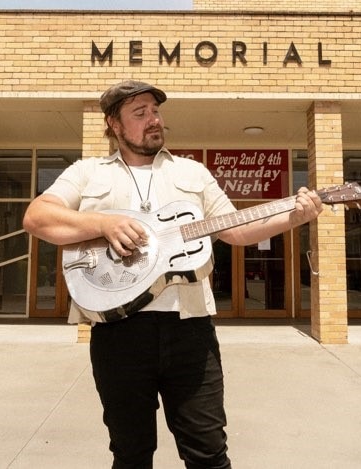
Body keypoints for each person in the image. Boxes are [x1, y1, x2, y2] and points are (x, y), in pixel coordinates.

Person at [22, 80, 324, 468]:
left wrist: (294, 216)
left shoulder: (192, 173)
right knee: (131, 454)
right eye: (140, 113)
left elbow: (235, 230)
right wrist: (103, 223)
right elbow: (37, 217)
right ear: (115, 125)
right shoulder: (88, 173)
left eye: (156, 111)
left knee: (209, 453)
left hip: (190, 331)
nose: (154, 120)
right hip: (119, 335)